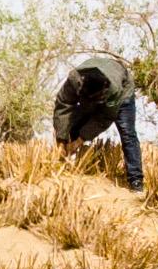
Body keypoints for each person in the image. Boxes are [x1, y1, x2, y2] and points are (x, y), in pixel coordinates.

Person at [51, 49, 145, 190]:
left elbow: (104, 118)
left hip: (124, 90)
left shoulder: (114, 90)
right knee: (74, 123)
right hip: (93, 88)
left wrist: (79, 141)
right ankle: (67, 165)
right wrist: (61, 140)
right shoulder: (74, 80)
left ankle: (135, 180)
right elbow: (63, 105)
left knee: (127, 133)